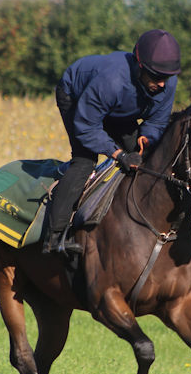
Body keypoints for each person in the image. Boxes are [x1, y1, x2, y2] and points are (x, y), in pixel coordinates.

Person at [43, 29, 181, 254]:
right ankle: (54, 237)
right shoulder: (111, 80)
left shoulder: (167, 82)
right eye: (157, 77)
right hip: (76, 97)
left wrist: (144, 143)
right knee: (85, 162)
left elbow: (156, 122)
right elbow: (87, 128)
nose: (163, 84)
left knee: (147, 159)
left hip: (117, 107)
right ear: (140, 66)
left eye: (166, 78)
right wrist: (119, 155)